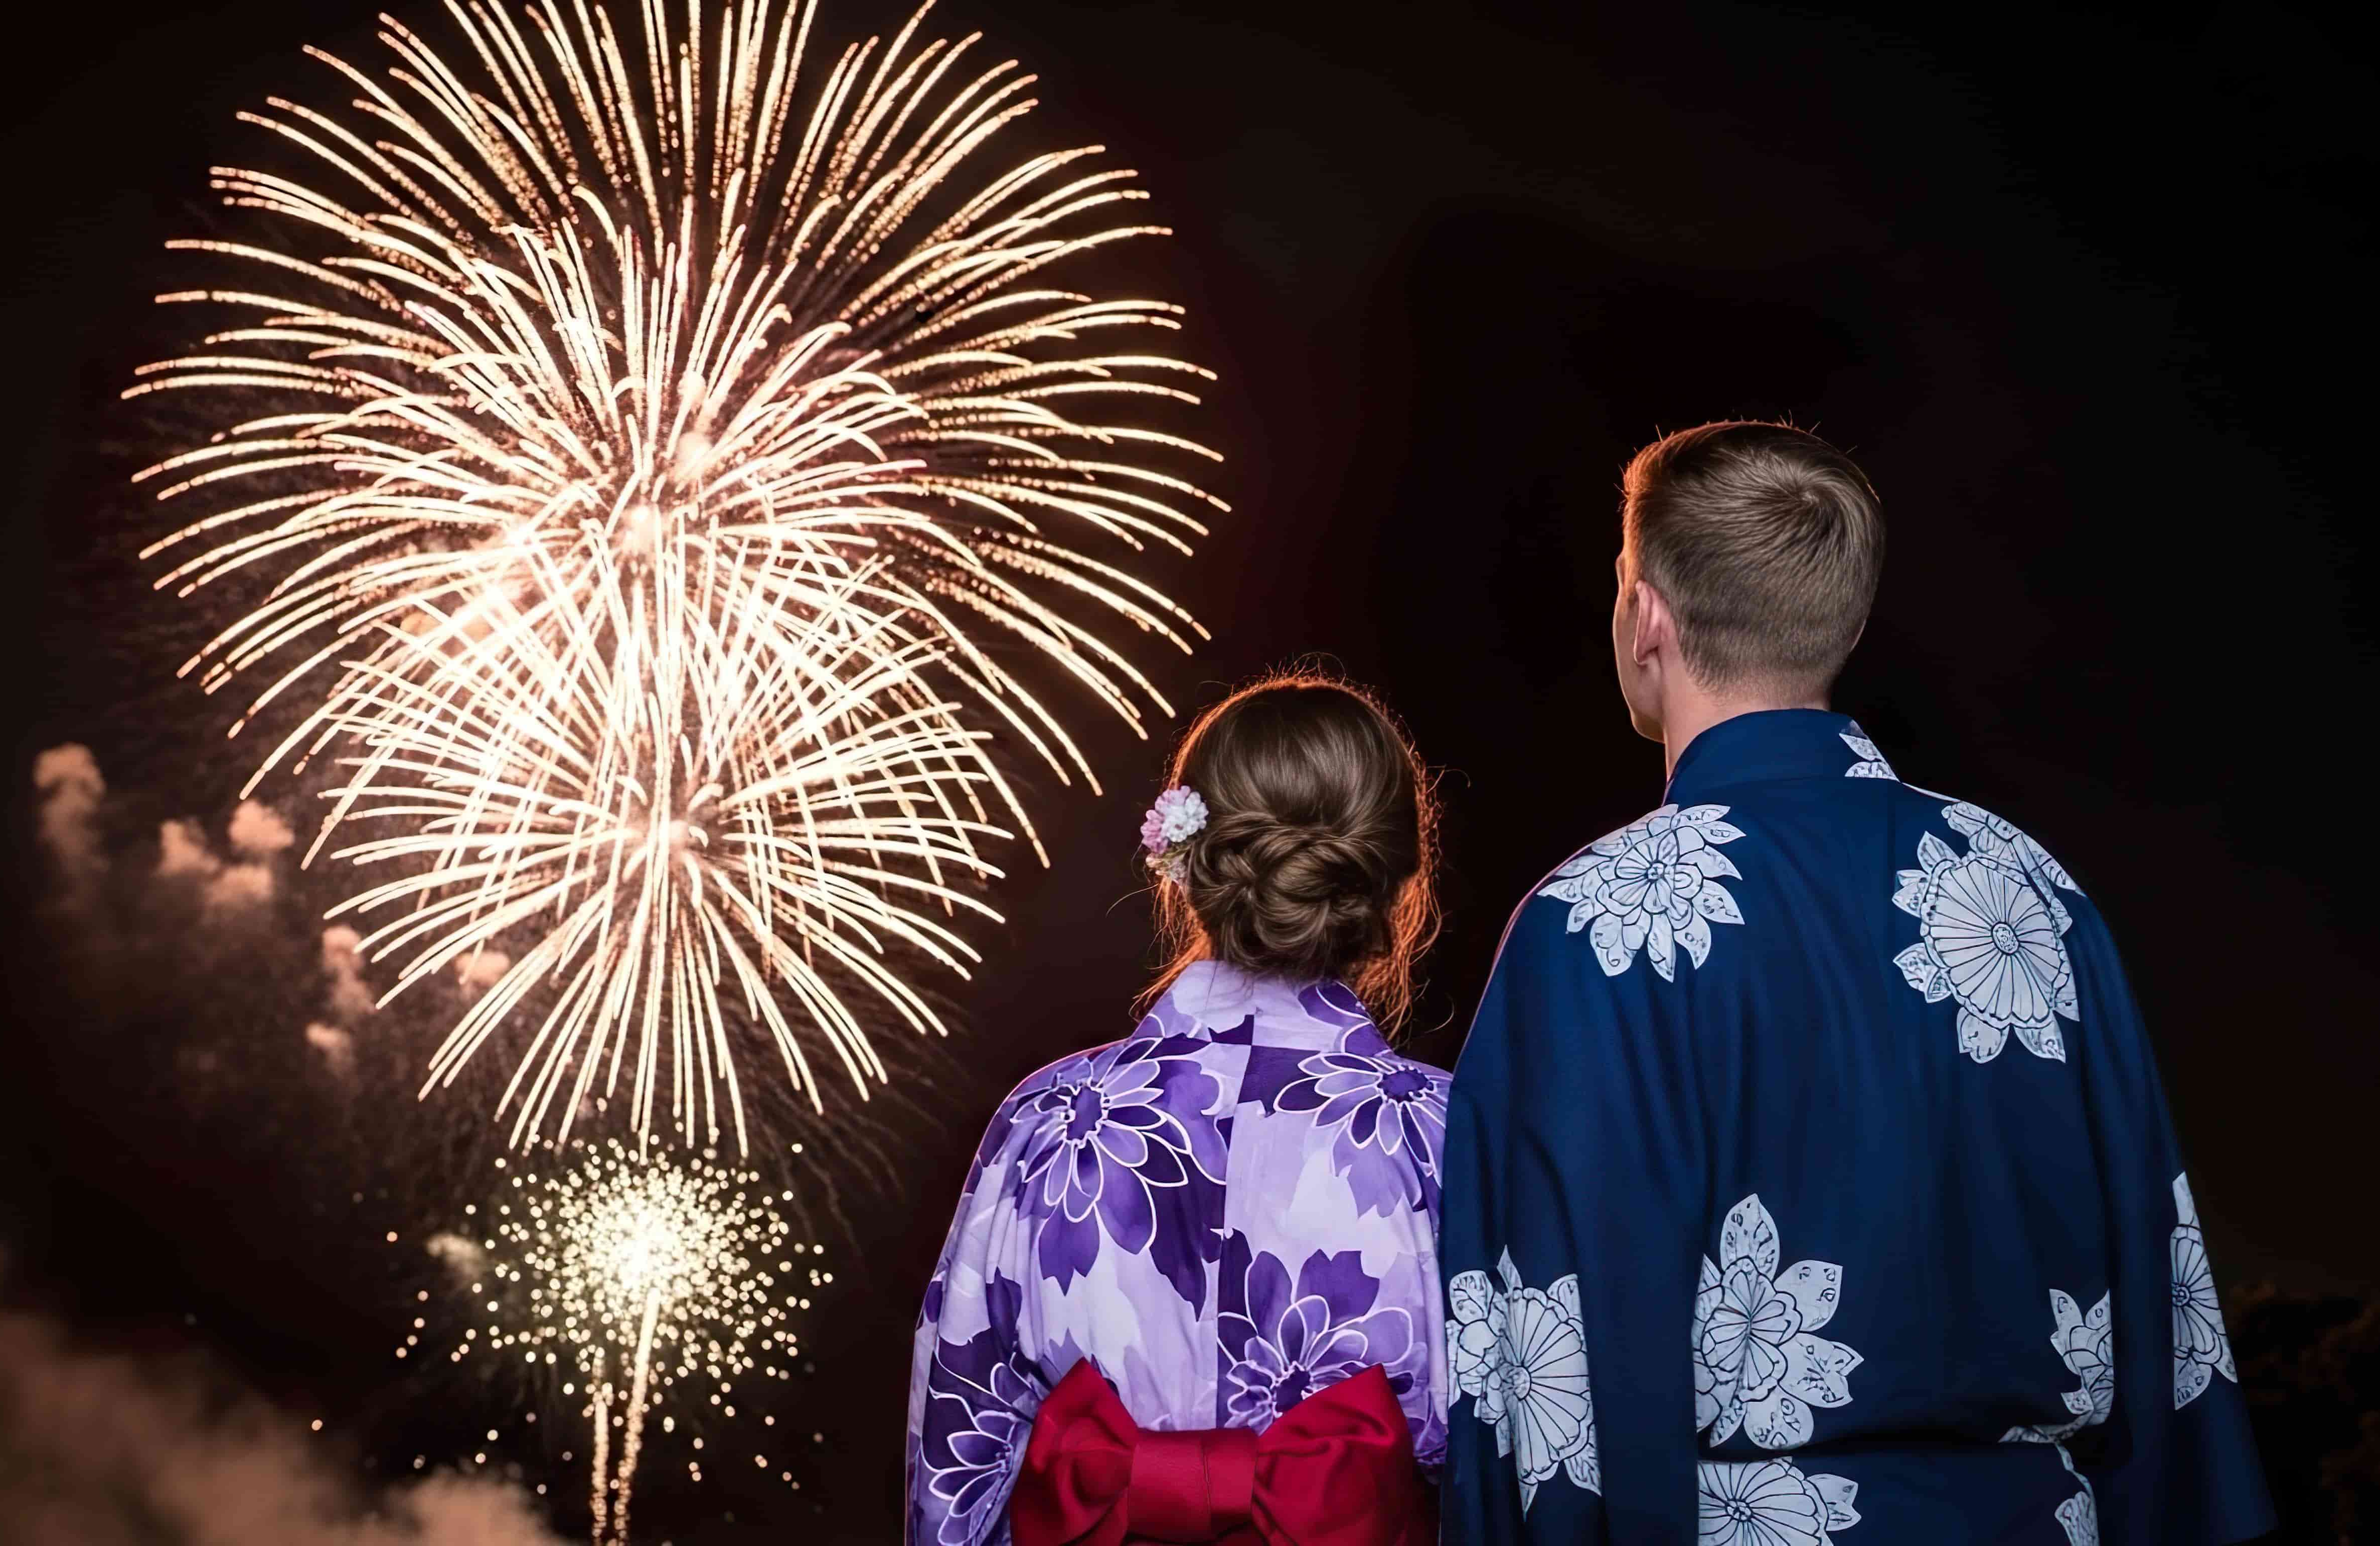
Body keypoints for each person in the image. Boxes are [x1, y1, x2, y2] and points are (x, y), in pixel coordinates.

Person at [1437, 423, 2277, 1543]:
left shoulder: (1592, 925)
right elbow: (2157, 1294)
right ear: (1846, 618)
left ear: (1645, 616)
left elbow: (1547, 1359)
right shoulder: (2024, 888)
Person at [904, 673, 1454, 1546]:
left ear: (1180, 861)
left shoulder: (1047, 1121)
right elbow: (1522, 1456)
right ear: (1396, 880)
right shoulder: (1440, 1138)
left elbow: (956, 1460)